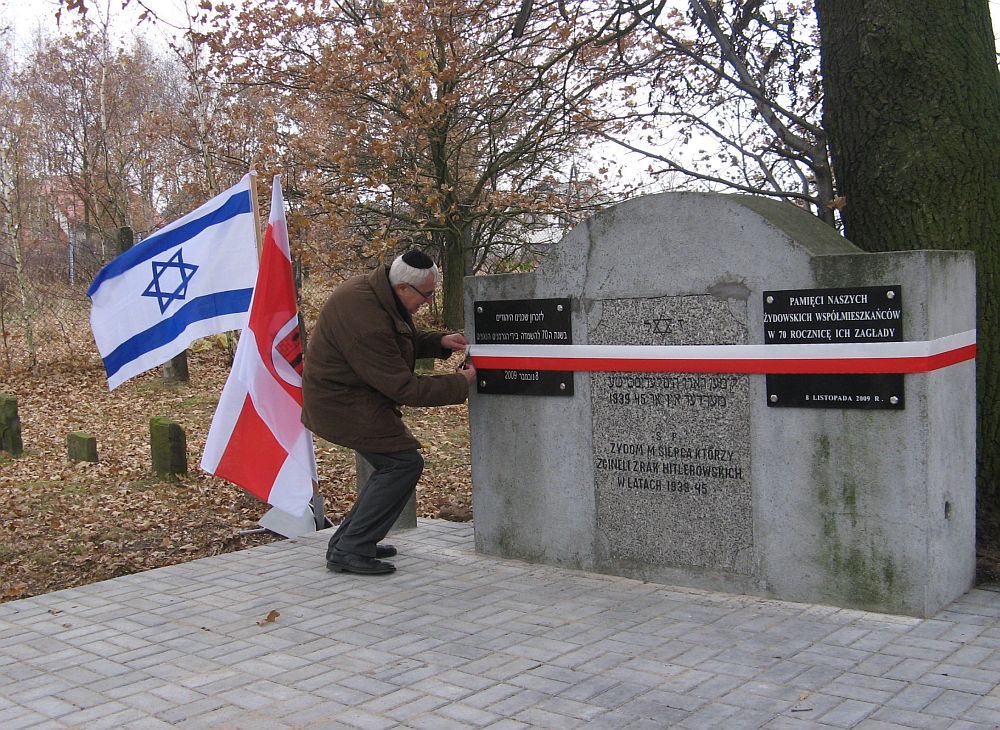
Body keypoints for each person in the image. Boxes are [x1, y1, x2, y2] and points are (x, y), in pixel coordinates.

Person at [301, 249, 476, 575]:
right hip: (343, 404)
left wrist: (439, 342)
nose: (427, 302)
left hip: (354, 397)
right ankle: (351, 547)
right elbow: (403, 387)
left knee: (394, 464)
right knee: (402, 464)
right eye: (425, 296)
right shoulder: (364, 316)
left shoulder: (377, 293)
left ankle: (350, 541)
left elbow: (397, 341)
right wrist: (460, 383)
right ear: (402, 288)